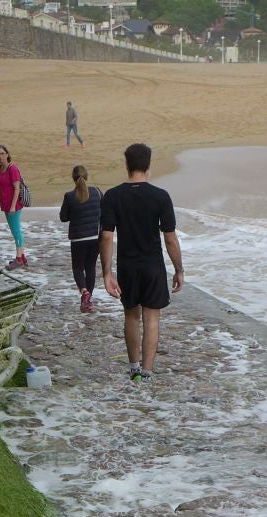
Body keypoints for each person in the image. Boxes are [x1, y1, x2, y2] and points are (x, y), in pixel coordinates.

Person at [100, 142, 183, 383]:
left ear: (126, 164)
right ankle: (147, 372)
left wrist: (107, 272)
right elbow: (170, 239)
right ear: (148, 165)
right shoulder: (160, 196)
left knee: (131, 317)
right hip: (153, 266)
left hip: (128, 266)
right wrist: (179, 269)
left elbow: (106, 236)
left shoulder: (113, 196)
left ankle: (134, 367)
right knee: (151, 319)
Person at [59, 164, 103, 312]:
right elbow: (103, 211)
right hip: (95, 237)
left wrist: (75, 214)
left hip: (78, 239)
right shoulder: (96, 191)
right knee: (90, 267)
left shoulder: (70, 196)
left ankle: (84, 291)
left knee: (78, 268)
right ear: (87, 176)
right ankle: (88, 301)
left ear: (73, 178)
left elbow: (63, 217)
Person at [0, 144, 28, 269]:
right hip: (5, 205)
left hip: (14, 206)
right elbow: (1, 189)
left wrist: (13, 206)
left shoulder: (13, 169)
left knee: (16, 231)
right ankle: (22, 256)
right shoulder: (0, 168)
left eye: (2, 153)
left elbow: (17, 189)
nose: (0, 156)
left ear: (7, 154)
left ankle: (18, 259)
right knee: (15, 230)